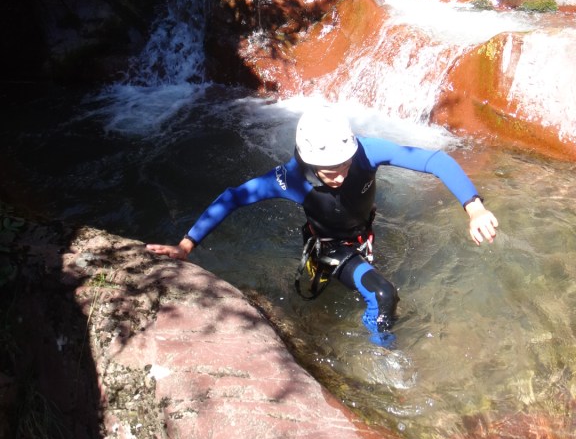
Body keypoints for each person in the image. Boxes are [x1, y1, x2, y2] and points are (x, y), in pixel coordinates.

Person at [146, 105, 498, 348]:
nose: (341, 174)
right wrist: (187, 245)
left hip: (363, 234)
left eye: (345, 165)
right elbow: (233, 197)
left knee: (378, 285)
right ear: (307, 161)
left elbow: (434, 159)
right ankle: (383, 356)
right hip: (329, 246)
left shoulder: (365, 151)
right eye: (330, 170)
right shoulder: (289, 179)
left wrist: (474, 207)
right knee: (383, 294)